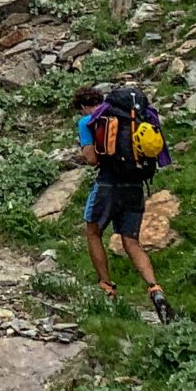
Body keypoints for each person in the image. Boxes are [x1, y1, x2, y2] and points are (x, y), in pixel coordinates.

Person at [74, 84, 174, 321]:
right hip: (135, 186)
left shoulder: (90, 121)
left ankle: (106, 287)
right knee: (131, 242)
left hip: (108, 185)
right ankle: (155, 290)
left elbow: (91, 159)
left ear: (81, 106)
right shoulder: (136, 118)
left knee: (93, 232)